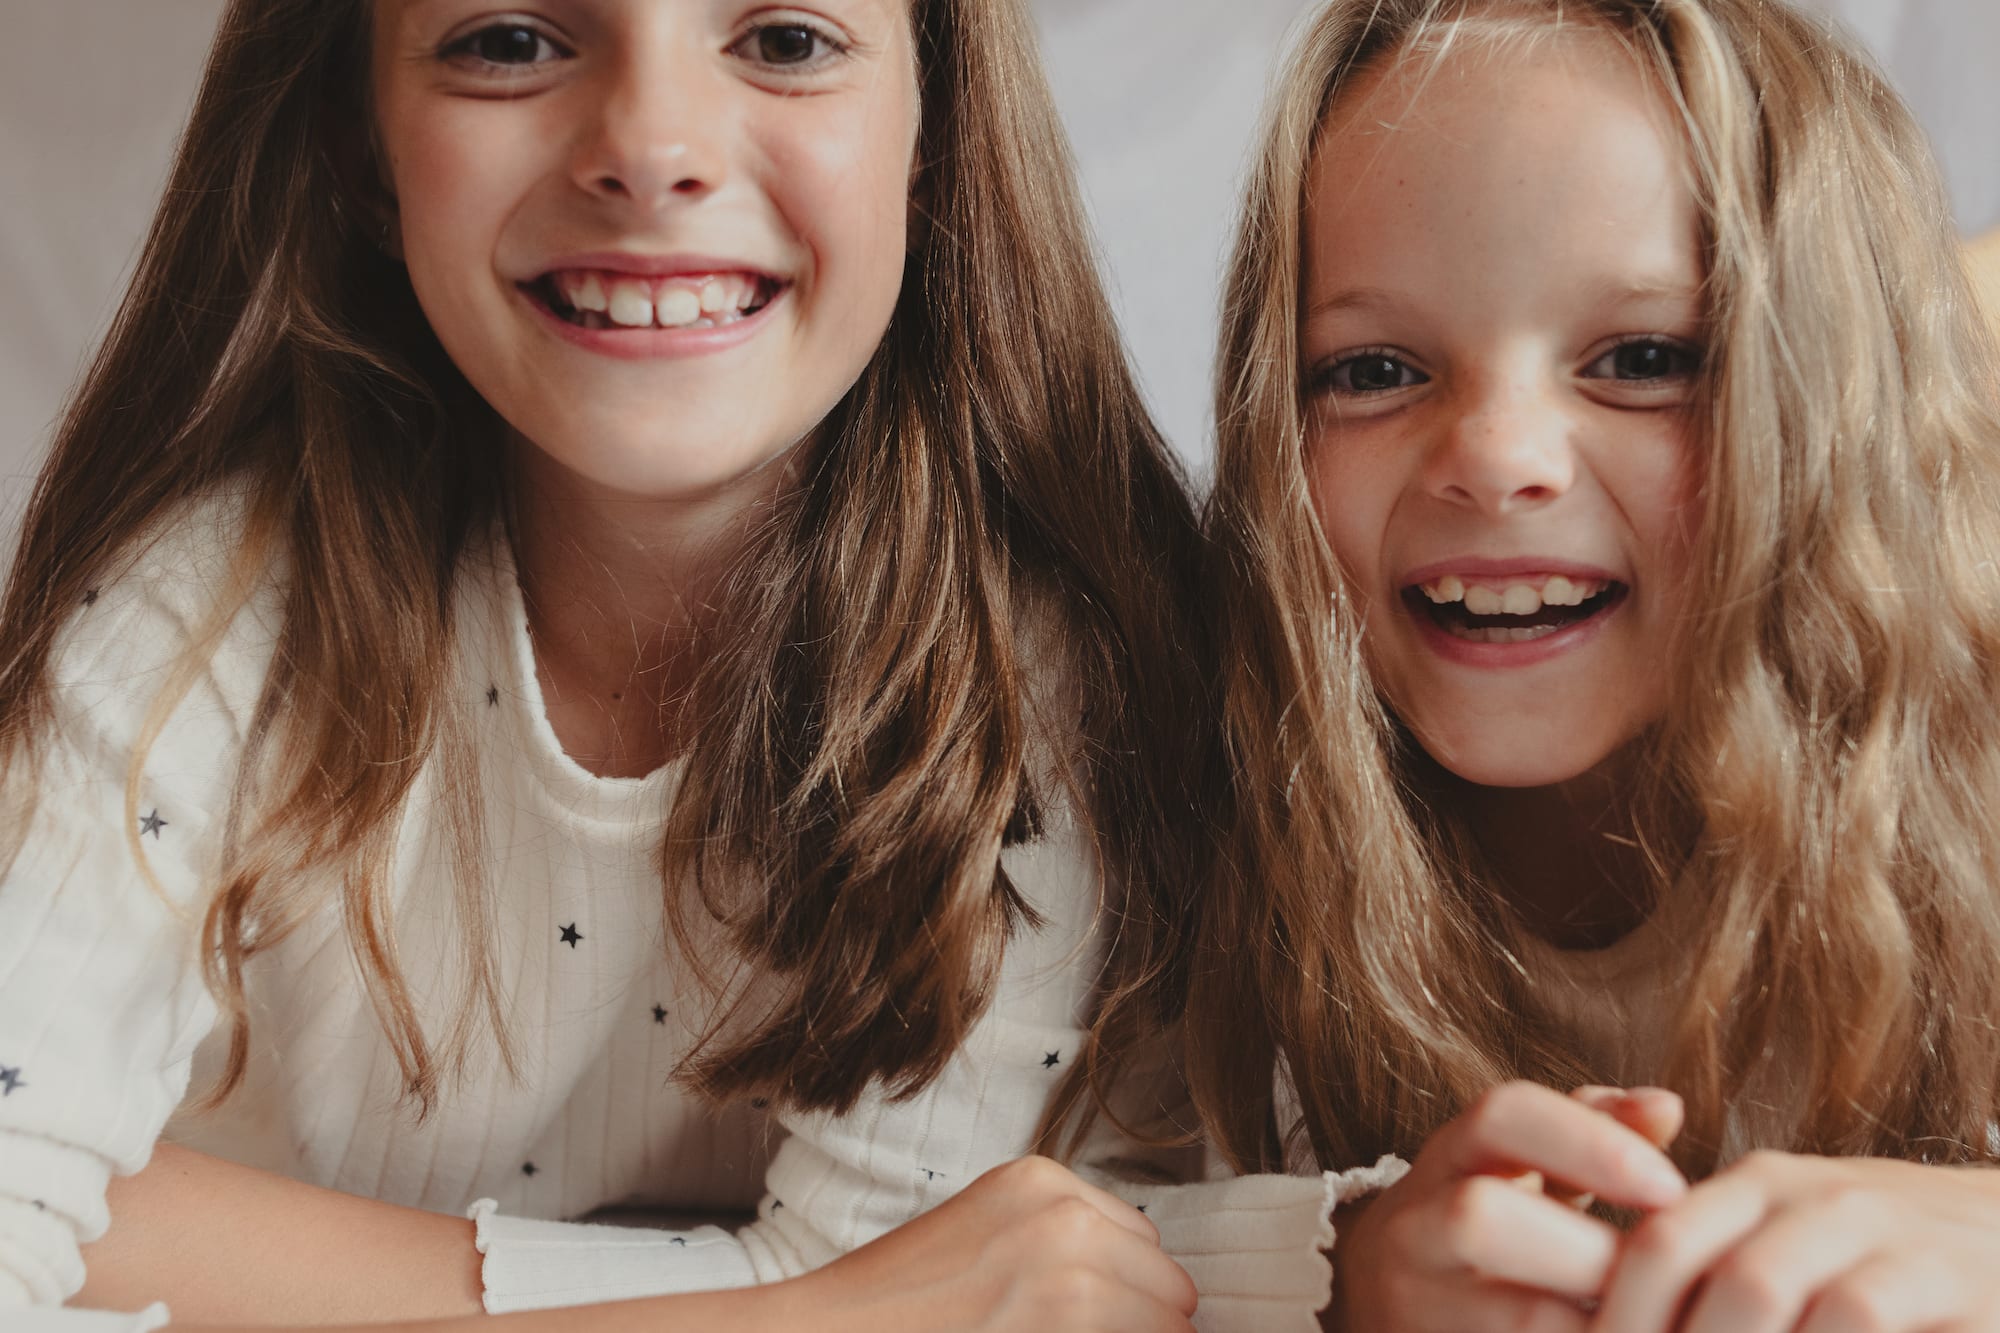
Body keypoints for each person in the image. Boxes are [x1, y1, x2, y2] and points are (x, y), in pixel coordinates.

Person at [0, 0, 1285, 1328]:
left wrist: (169, 1240)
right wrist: (804, 1309)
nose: (652, 146)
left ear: (936, 129)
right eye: (508, 41)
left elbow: (922, 1292)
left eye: (785, 39)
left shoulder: (1043, 673)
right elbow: (879, 1308)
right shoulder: (205, 619)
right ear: (357, 146)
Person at [1190, 0, 2000, 1328]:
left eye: (1643, 361)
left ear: (1837, 413)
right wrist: (1344, 1270)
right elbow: (1042, 1222)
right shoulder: (1191, 807)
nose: (1498, 456)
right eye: (1375, 369)